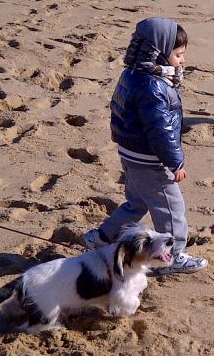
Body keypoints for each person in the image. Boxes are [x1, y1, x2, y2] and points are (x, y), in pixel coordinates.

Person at [80, 17, 207, 275]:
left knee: (136, 203)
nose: (182, 60)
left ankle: (102, 237)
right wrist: (175, 162)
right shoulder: (153, 86)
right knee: (171, 209)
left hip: (131, 154)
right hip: (151, 160)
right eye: (178, 54)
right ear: (158, 52)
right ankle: (172, 256)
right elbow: (160, 130)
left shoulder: (134, 73)